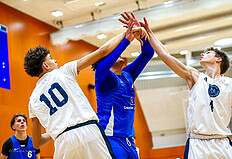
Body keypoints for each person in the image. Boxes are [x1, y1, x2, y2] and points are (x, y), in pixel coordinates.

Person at [120, 13, 232, 158]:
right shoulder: (195, 76)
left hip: (222, 142)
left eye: (207, 53)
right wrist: (149, 33)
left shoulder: (231, 84)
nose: (202, 54)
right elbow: (166, 56)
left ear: (218, 59)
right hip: (197, 142)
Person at [23, 19, 143, 159]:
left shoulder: (32, 100)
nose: (55, 61)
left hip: (62, 140)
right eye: (51, 58)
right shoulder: (64, 71)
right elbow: (102, 51)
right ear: (45, 66)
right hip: (89, 131)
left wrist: (59, 128)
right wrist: (126, 35)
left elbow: (37, 143)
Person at [92, 12, 154, 159]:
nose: (119, 53)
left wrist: (142, 38)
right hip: (110, 137)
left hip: (129, 140)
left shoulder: (127, 74)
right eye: (113, 51)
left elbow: (147, 54)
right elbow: (101, 67)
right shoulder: (104, 78)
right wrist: (126, 40)